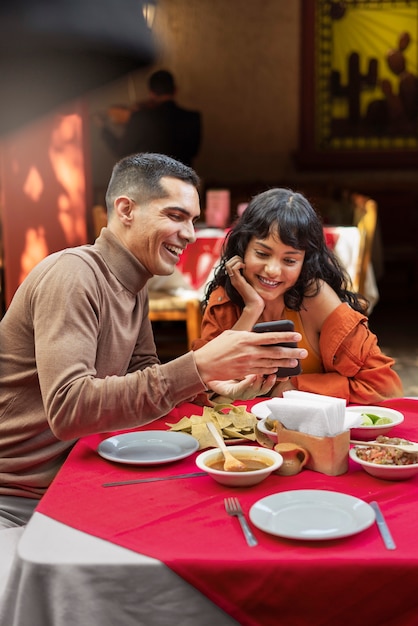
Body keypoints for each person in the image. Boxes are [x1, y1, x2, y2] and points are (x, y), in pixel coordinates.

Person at [0, 154, 307, 528]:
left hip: (80, 475)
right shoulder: (73, 275)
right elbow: (69, 409)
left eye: (192, 221)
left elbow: (143, 372)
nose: (191, 234)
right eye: (176, 216)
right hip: (19, 499)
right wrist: (197, 366)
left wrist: (209, 383)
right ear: (126, 209)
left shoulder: (133, 285)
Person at [193, 187, 403, 404]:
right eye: (262, 254)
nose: (273, 270)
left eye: (290, 260)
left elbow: (385, 388)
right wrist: (251, 310)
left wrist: (293, 387)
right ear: (243, 248)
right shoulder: (227, 297)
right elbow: (205, 389)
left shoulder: (316, 298)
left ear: (305, 262)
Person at [100, 69, 201, 166]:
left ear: (151, 94)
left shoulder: (141, 118)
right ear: (175, 90)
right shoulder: (193, 117)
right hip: (182, 181)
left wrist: (103, 128)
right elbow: (193, 152)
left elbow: (120, 150)